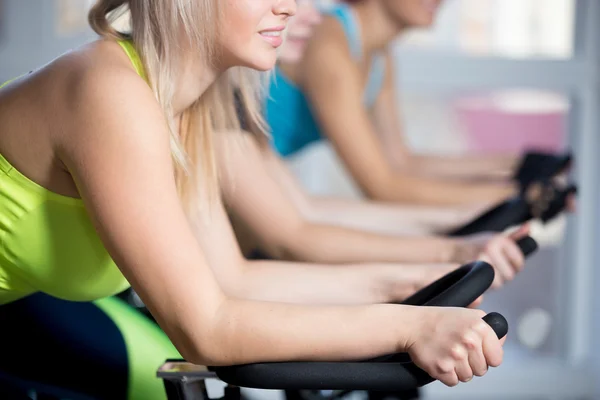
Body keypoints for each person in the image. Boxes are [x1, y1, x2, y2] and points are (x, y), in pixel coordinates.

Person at [0, 1, 506, 399]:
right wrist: (411, 327)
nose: (289, 6)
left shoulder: (188, 109)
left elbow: (234, 276)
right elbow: (208, 328)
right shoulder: (109, 93)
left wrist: (405, 282)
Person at [267, 0, 575, 211]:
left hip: (259, 174)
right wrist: (520, 195)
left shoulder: (378, 59)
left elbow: (402, 160)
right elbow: (382, 187)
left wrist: (517, 166)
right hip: (235, 171)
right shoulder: (331, 42)